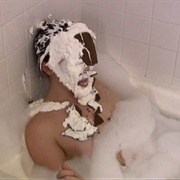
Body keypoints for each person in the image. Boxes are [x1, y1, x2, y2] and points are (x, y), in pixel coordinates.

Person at [25, 19, 119, 179]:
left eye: (86, 57)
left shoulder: (100, 89)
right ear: (48, 67)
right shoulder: (41, 129)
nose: (86, 68)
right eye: (75, 60)